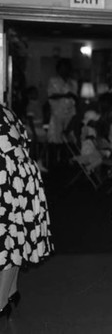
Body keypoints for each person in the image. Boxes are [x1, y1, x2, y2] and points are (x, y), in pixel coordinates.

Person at [0, 104, 53, 322]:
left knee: (8, 242)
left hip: (10, 183)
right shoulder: (5, 111)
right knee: (13, 239)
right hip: (18, 181)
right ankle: (10, 293)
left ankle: (2, 302)